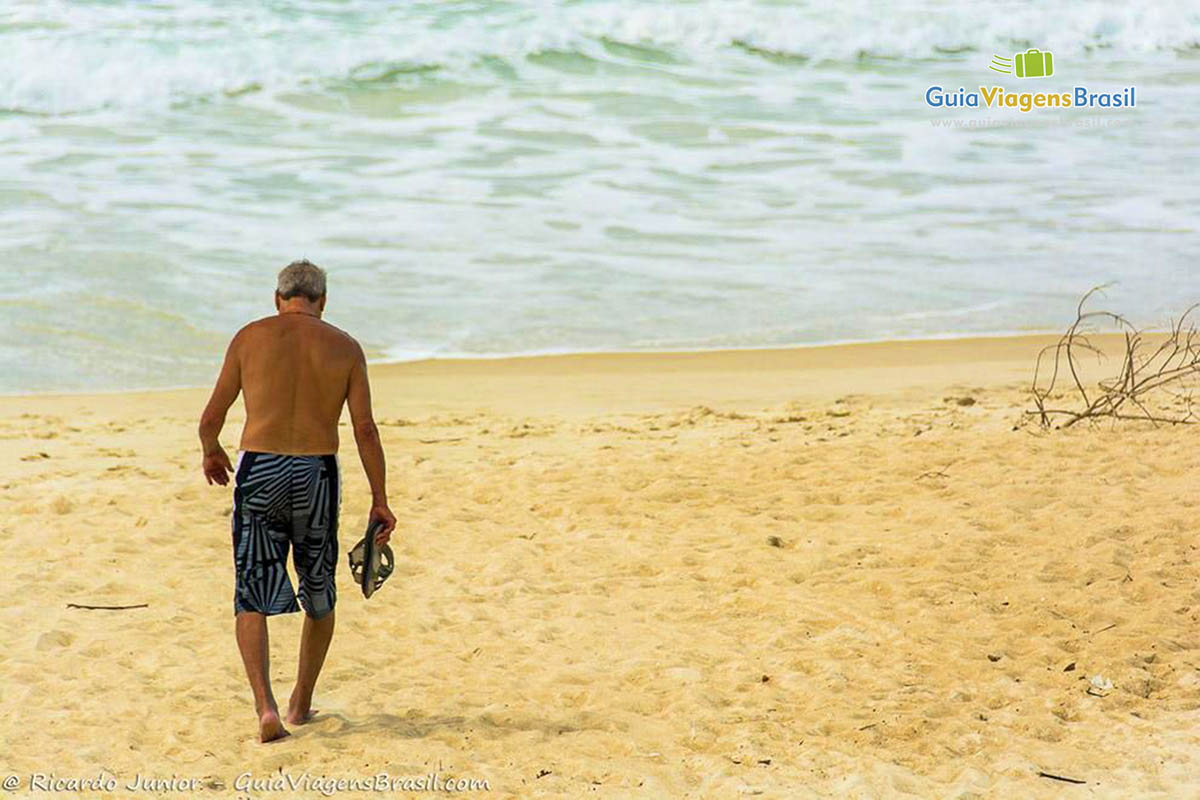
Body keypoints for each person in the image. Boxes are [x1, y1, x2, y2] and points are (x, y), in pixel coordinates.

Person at [198, 259, 396, 742]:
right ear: (323, 302)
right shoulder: (345, 347)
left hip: (260, 468)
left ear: (277, 299)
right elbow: (364, 429)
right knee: (319, 586)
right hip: (315, 472)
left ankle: (265, 708)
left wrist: (212, 451)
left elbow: (211, 417)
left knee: (251, 589)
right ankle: (300, 703)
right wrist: (380, 499)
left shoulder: (249, 337)